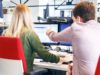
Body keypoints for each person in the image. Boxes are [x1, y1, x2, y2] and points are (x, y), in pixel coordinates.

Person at [2, 4, 64, 75]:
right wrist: (59, 59)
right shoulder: (30, 33)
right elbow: (44, 55)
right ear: (27, 17)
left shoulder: (5, 33)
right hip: (24, 72)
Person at [46, 1, 100, 75]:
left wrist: (49, 32)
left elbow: (54, 37)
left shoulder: (76, 27)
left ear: (78, 19)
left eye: (73, 20)